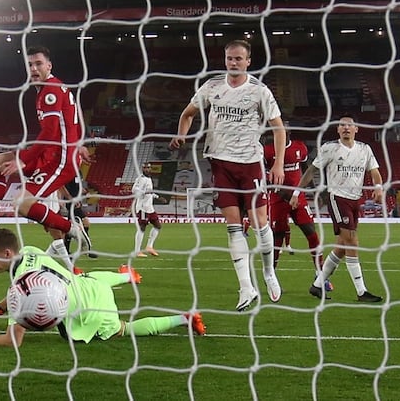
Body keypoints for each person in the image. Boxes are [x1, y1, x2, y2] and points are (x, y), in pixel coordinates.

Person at [170, 39, 286, 311]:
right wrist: (181, 134)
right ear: (225, 60)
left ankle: (269, 272)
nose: (233, 63)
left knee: (259, 222)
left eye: (238, 59)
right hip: (221, 163)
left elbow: (279, 129)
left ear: (248, 61)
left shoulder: (260, 91)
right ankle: (246, 287)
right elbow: (188, 114)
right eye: (229, 58)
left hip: (250, 163)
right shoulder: (211, 87)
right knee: (233, 225)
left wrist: (278, 164)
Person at [0, 228, 206, 347]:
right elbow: (22, 293)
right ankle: (127, 276)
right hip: (90, 286)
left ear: (7, 253)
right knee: (86, 276)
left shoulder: (23, 285)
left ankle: (183, 319)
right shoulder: (29, 251)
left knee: (124, 330)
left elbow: (13, 341)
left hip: (90, 310)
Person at [0, 46, 92, 266]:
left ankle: (72, 229)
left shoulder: (50, 91)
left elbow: (49, 133)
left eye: (38, 64)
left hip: (60, 160)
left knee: (21, 203)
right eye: (30, 65)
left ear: (49, 66)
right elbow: (68, 121)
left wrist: (25, 159)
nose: (33, 68)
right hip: (52, 154)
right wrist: (80, 143)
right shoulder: (49, 89)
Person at [291, 114, 383, 302]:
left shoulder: (365, 149)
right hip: (337, 198)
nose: (346, 128)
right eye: (342, 125)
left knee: (342, 246)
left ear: (356, 129)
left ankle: (317, 286)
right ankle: (361, 291)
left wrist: (379, 187)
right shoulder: (330, 148)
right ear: (338, 129)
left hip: (355, 199)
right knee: (352, 241)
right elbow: (311, 170)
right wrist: (296, 193)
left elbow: (374, 171)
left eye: (350, 125)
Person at [263, 123, 331, 292]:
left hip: (298, 197)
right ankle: (272, 277)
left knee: (312, 232)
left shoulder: (300, 147)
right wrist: (286, 194)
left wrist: (315, 190)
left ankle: (320, 275)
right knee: (277, 238)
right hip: (277, 198)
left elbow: (306, 169)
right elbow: (264, 177)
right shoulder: (268, 151)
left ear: (289, 131)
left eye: (283, 129)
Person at [132, 162, 162, 257]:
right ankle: (137, 251)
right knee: (142, 228)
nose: (147, 169)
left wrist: (157, 197)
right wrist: (143, 192)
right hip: (142, 208)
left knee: (157, 225)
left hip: (149, 208)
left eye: (148, 168)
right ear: (142, 169)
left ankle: (149, 246)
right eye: (145, 168)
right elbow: (134, 189)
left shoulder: (149, 179)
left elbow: (150, 192)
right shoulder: (140, 179)